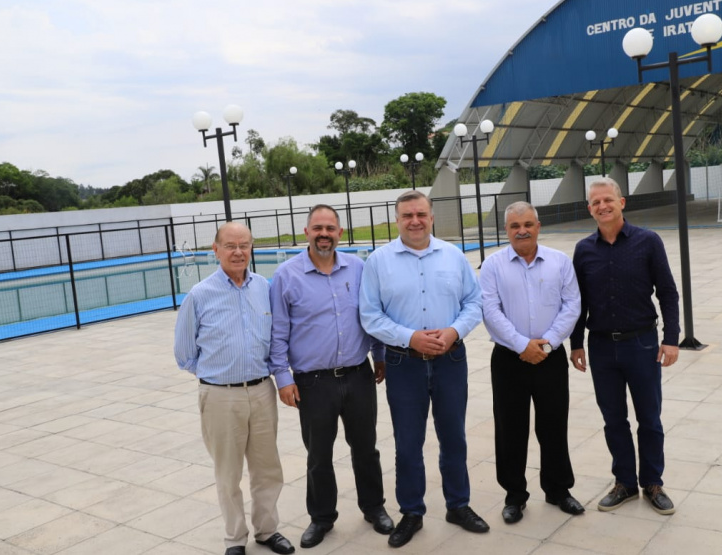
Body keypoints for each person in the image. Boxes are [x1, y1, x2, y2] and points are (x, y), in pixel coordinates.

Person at [359, 190, 488, 548]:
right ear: (397, 220)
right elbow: (370, 315)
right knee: (408, 443)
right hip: (404, 364)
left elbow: (474, 303)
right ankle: (412, 512)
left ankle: (458, 505)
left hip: (451, 361)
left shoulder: (453, 256)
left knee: (454, 437)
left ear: (431, 217)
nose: (414, 221)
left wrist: (454, 331)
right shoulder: (378, 262)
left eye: (420, 214)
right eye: (407, 216)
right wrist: (410, 337)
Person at [269, 205, 394, 549]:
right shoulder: (286, 276)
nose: (324, 234)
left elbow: (372, 316)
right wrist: (283, 378)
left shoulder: (358, 268)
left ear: (340, 232)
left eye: (330, 228)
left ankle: (374, 507)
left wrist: (379, 355)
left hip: (358, 375)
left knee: (366, 448)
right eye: (317, 228)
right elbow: (278, 332)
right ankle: (322, 517)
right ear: (306, 232)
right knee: (319, 455)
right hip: (313, 383)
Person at [174, 222, 295, 555]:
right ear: (216, 250)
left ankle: (267, 531)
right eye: (230, 246)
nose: (238, 252)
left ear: (252, 247)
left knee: (267, 468)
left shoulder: (264, 288)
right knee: (228, 474)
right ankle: (235, 538)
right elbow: (184, 354)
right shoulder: (199, 295)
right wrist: (217, 375)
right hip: (219, 396)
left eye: (244, 245)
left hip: (262, 391)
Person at [569, 178, 680, 516]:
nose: (602, 206)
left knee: (650, 418)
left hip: (642, 344)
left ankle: (653, 483)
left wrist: (671, 338)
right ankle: (625, 483)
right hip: (602, 347)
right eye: (596, 202)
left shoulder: (648, 241)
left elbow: (667, 292)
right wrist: (576, 344)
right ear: (589, 209)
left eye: (608, 200)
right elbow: (578, 302)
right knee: (614, 420)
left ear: (621, 202)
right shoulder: (583, 250)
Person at [480, 201, 584, 525]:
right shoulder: (493, 265)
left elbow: (572, 305)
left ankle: (558, 489)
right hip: (509, 359)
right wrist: (521, 345)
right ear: (506, 230)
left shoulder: (559, 261)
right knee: (510, 428)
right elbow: (490, 310)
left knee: (554, 425)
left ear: (538, 227)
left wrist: (547, 343)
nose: (522, 230)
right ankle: (514, 495)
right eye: (515, 226)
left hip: (550, 357)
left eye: (527, 224)